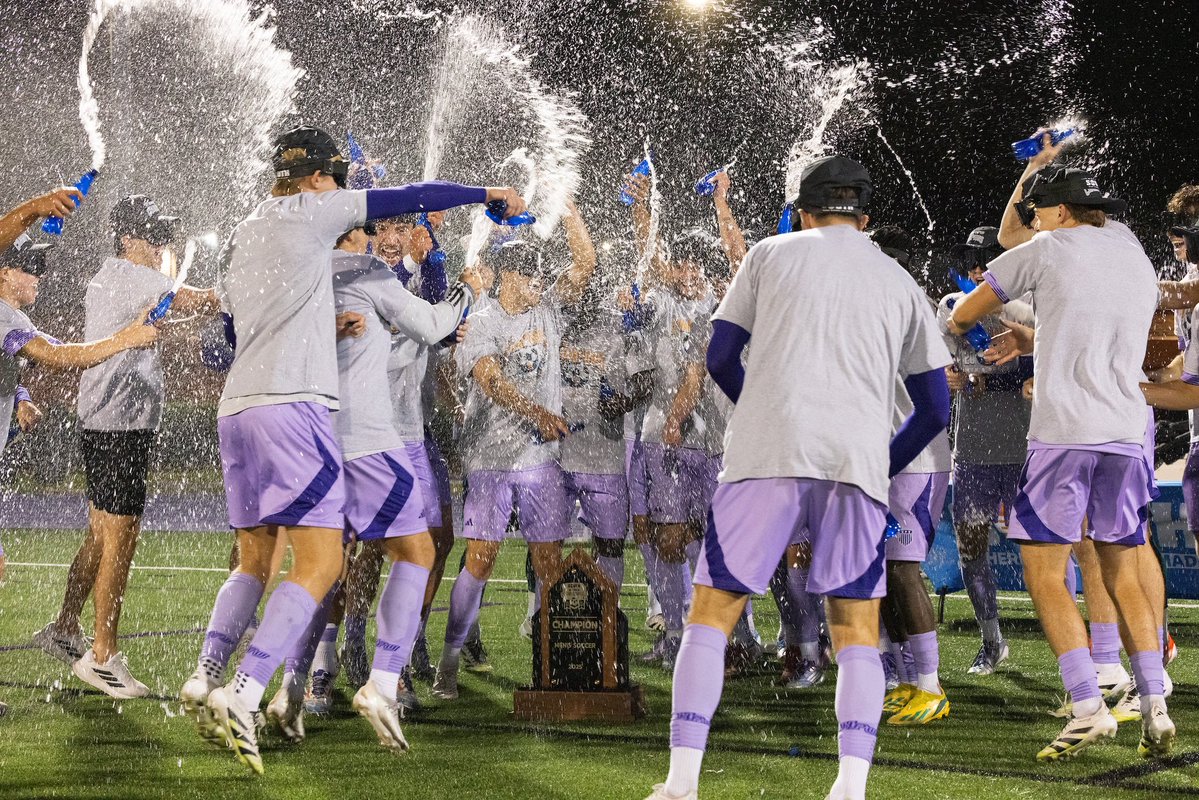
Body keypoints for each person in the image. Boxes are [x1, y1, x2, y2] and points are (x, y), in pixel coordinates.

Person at [177, 125, 525, 774]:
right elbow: (414, 193)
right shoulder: (319, 211)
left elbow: (229, 332)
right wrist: (489, 192)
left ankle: (206, 674)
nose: (341, 193)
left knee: (256, 560)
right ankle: (248, 694)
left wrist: (323, 321)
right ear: (316, 178)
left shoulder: (248, 228)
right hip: (296, 408)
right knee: (321, 566)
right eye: (334, 180)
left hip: (237, 412)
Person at [645, 155, 951, 800]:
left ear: (803, 209)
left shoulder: (768, 254)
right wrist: (880, 461)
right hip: (854, 470)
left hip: (764, 456)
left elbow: (721, 355)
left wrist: (761, 409)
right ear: (866, 216)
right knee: (855, 630)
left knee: (713, 615)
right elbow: (935, 408)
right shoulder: (899, 281)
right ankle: (849, 786)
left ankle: (680, 782)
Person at [949, 149, 1172, 761]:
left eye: (1039, 208)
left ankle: (1086, 705)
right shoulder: (1133, 253)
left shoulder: (1046, 248)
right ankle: (1153, 700)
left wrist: (971, 327)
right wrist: (1036, 338)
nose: (1033, 217)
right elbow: (1085, 322)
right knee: (1122, 564)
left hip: (1065, 433)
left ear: (1061, 210)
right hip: (1127, 430)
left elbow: (966, 311)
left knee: (1045, 570)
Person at [264, 222, 480, 750]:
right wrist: (462, 293)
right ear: (356, 235)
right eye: (374, 229)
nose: (384, 238)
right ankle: (377, 675)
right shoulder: (368, 274)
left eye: (400, 228)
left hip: (316, 435)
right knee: (410, 552)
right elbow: (412, 332)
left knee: (321, 563)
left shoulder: (307, 274)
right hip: (372, 441)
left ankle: (291, 683)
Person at [34, 196, 219, 699]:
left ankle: (65, 626)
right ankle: (103, 657)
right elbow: (199, 300)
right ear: (130, 239)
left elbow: (155, 312)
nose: (162, 244)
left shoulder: (109, 275)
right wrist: (235, 290)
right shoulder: (141, 279)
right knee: (122, 536)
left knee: (99, 533)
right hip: (120, 425)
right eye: (155, 236)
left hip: (101, 420)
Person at [432, 204, 596, 701]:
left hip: (540, 461)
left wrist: (570, 211)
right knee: (481, 558)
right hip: (491, 459)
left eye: (540, 273)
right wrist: (538, 414)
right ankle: (450, 660)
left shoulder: (546, 309)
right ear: (506, 275)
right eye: (529, 274)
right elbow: (490, 379)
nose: (538, 283)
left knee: (550, 562)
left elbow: (584, 266)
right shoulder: (481, 320)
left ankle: (550, 661)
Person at [938, 225, 1034, 674]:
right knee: (970, 545)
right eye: (972, 259)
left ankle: (1079, 640)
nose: (978, 267)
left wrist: (994, 375)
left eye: (987, 258)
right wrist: (950, 377)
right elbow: (941, 365)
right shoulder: (951, 306)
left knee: (1051, 546)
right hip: (974, 450)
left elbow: (1043, 361)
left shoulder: (1028, 305)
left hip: (1027, 449)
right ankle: (991, 639)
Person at [870, 225, 952, 725]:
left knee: (902, 568)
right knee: (878, 567)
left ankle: (930, 684)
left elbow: (931, 402)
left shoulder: (907, 306)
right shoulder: (888, 303)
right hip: (885, 455)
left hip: (914, 460)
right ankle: (902, 678)